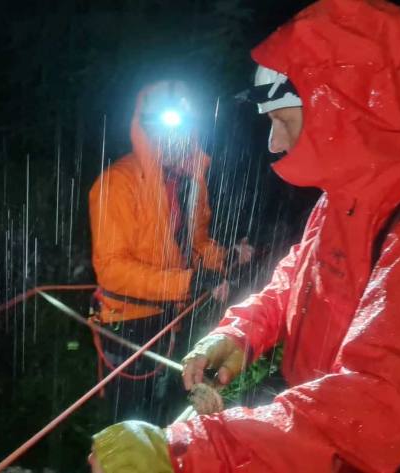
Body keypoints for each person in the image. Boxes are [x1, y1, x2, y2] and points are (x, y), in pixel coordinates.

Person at [89, 0, 400, 471]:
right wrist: (242, 332)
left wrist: (188, 448)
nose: (274, 144)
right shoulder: (343, 200)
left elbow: (372, 403)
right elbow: (297, 281)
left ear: (337, 108)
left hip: (395, 457)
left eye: (280, 122)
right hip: (317, 427)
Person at [88, 80, 254, 423]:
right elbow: (112, 269)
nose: (179, 140)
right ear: (147, 131)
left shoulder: (190, 182)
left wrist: (227, 257)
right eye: (166, 130)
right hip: (128, 323)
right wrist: (188, 283)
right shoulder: (118, 183)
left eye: (187, 129)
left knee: (163, 412)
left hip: (172, 317)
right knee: (128, 421)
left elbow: (196, 245)